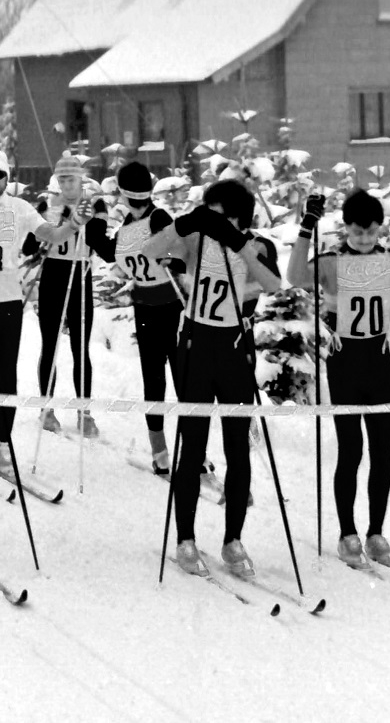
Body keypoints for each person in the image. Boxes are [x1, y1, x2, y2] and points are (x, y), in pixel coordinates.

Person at [286, 189, 390, 570]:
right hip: (345, 363)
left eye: (371, 231)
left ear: (381, 228)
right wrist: (307, 226)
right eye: (357, 231)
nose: (364, 238)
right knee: (350, 450)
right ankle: (348, 534)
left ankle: (376, 533)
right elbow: (294, 276)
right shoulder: (331, 262)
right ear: (346, 228)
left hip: (378, 365)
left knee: (382, 450)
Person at [139, 180, 283, 576]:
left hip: (235, 348)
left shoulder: (258, 246)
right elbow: (149, 252)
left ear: (238, 217)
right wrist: (183, 224)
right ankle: (185, 540)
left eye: (220, 215)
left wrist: (237, 243)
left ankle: (233, 541)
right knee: (193, 443)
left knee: (238, 446)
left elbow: (273, 284)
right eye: (210, 213)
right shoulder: (197, 240)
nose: (213, 222)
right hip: (197, 346)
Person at [0, 148, 76, 470]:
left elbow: (51, 235)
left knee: (6, 376)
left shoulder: (20, 207)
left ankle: (3, 444)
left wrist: (74, 224)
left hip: (8, 303)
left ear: (7, 178)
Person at [85, 161, 182, 470]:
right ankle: (160, 453)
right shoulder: (127, 226)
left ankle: (196, 451)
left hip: (172, 307)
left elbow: (180, 253)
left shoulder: (159, 217)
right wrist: (97, 221)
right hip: (144, 308)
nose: (132, 201)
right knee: (153, 381)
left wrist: (170, 255)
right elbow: (108, 252)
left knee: (184, 380)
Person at [35, 155, 104, 436]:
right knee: (50, 344)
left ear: (81, 179)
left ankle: (84, 411)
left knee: (81, 347)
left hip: (80, 276)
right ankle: (46, 407)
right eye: (62, 179)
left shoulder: (95, 204)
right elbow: (31, 245)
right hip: (53, 275)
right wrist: (52, 223)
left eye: (71, 179)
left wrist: (87, 221)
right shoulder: (48, 205)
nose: (67, 184)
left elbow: (99, 240)